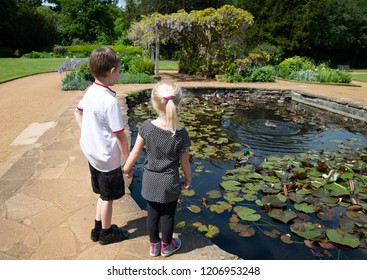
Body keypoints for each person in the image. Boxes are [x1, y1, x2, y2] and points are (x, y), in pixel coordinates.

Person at [124, 81, 192, 257]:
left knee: (152, 215)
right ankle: (167, 246)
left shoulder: (146, 126)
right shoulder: (181, 134)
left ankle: (154, 246)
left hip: (150, 180)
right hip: (170, 182)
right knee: (167, 216)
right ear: (179, 104)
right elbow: (185, 163)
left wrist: (127, 168)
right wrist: (188, 179)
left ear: (154, 103)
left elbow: (135, 152)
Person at [74, 46, 130, 245]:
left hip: (92, 154)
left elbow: (77, 111)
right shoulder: (110, 102)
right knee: (108, 198)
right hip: (107, 159)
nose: (120, 73)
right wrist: (128, 161)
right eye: (119, 70)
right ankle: (106, 233)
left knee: (102, 194)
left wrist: (86, 132)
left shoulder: (91, 91)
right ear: (112, 71)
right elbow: (121, 137)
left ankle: (97, 228)